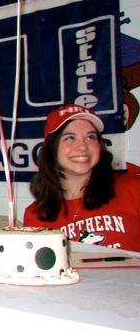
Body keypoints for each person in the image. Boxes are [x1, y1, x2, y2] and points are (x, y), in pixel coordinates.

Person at [24, 104, 140, 252]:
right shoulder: (36, 215)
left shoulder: (134, 189)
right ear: (52, 148)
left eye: (90, 137)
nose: (83, 146)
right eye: (70, 138)